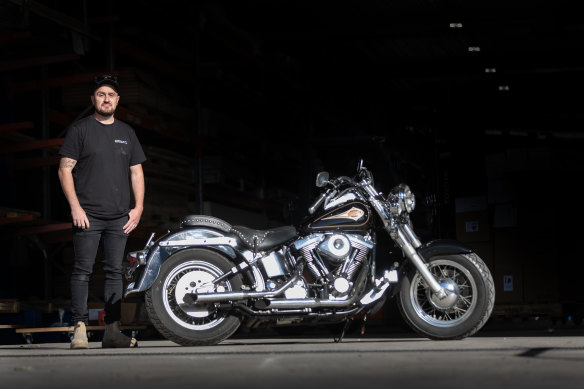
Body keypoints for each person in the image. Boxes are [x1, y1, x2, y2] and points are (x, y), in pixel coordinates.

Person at [58, 74, 146, 349]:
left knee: (114, 273)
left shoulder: (127, 133)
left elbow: (136, 172)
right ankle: (80, 329)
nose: (106, 99)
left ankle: (112, 331)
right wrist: (75, 207)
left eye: (111, 95)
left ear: (117, 100)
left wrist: (138, 208)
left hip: (119, 217)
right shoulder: (80, 130)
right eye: (100, 94)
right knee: (82, 271)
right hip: (88, 216)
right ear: (93, 99)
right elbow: (65, 169)